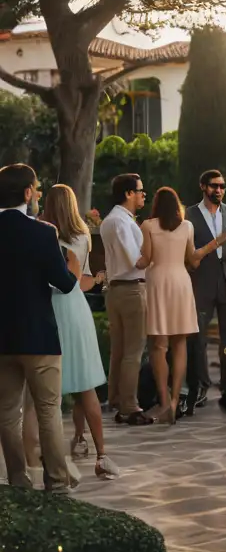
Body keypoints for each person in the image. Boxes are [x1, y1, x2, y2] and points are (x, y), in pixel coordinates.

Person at [0, 163, 79, 492]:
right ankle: (57, 485)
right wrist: (73, 267)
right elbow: (64, 282)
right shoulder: (43, 232)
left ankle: (18, 481)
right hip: (39, 336)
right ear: (28, 193)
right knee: (48, 411)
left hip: (2, 338)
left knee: (6, 413)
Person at [41, 185, 120, 480]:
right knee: (83, 383)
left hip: (50, 307)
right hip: (76, 309)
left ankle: (53, 455)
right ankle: (99, 453)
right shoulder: (83, 235)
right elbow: (81, 279)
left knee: (48, 387)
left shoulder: (44, 234)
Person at [137, 187, 221, 424]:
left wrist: (130, 259)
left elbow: (147, 258)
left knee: (158, 345)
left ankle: (164, 402)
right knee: (180, 342)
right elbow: (191, 258)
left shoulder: (148, 226)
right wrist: (215, 244)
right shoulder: (187, 226)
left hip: (158, 282)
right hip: (181, 282)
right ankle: (175, 399)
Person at [183, 170, 226, 416]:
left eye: (222, 186)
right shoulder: (189, 215)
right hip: (201, 283)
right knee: (197, 339)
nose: (218, 190)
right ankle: (200, 386)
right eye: (213, 186)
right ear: (203, 186)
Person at [100, 172, 151, 425]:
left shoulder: (111, 221)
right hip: (131, 288)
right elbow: (137, 260)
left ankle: (117, 399)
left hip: (115, 289)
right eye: (140, 190)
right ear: (129, 193)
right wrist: (155, 248)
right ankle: (129, 406)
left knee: (119, 350)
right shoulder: (122, 223)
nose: (143, 195)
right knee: (133, 350)